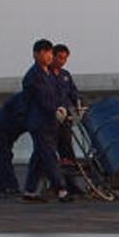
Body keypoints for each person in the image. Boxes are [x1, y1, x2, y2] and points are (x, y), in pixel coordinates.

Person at [22, 39, 72, 203]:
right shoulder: (33, 76)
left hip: (51, 122)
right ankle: (61, 190)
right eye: (47, 53)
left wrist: (64, 108)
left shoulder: (49, 74)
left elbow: (58, 95)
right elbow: (42, 99)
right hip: (39, 123)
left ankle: (29, 190)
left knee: (38, 157)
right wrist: (55, 110)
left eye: (51, 52)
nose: (50, 56)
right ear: (37, 54)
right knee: (50, 156)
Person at [50, 43, 84, 195]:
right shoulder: (46, 75)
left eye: (65, 58)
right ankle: (53, 185)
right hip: (51, 121)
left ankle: (71, 185)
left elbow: (74, 93)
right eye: (60, 58)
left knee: (68, 154)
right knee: (48, 153)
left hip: (66, 121)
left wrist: (78, 107)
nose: (62, 61)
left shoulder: (65, 75)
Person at [0, 91, 28, 198]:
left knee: (6, 155)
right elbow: (22, 116)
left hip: (9, 125)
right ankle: (3, 187)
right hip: (2, 125)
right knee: (4, 155)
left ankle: (9, 186)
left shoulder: (28, 97)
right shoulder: (26, 98)